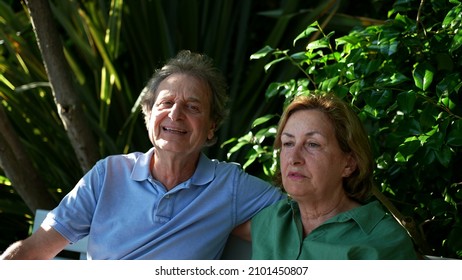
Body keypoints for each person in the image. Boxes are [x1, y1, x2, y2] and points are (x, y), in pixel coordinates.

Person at [0, 50, 285, 260]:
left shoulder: (229, 186)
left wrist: (236, 224)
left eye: (192, 107)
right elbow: (34, 250)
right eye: (166, 103)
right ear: (148, 116)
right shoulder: (107, 174)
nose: (175, 114)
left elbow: (302, 216)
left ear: (211, 127)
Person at [250, 92, 418, 259]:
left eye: (312, 144)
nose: (293, 158)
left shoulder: (383, 240)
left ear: (349, 163)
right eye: (288, 143)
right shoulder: (269, 220)